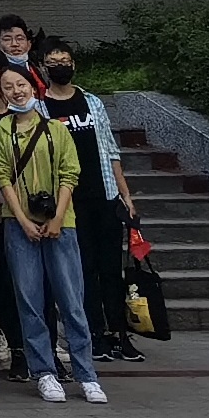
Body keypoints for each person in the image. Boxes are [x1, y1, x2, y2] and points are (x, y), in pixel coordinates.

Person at [0, 61, 102, 404]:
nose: (16, 91)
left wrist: (56, 219)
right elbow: (2, 176)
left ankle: (86, 374)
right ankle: (45, 372)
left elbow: (71, 173)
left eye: (20, 84)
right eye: (7, 87)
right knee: (30, 301)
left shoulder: (56, 129)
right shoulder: (2, 130)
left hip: (61, 224)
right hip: (17, 224)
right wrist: (22, 219)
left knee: (71, 300)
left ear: (32, 85)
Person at [41, 40, 144, 364]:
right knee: (83, 270)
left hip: (104, 195)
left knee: (111, 268)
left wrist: (125, 194)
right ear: (44, 66)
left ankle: (120, 334)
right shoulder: (40, 108)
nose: (61, 65)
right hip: (70, 202)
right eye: (54, 61)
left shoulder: (92, 102)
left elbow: (110, 150)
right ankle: (93, 335)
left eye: (66, 59)